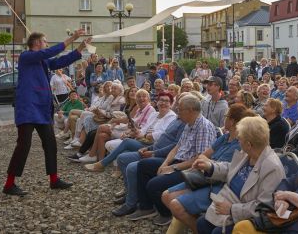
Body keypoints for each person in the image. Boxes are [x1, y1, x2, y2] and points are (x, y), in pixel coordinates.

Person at [3, 30, 89, 196]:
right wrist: (72, 38)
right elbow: (50, 51)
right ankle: (9, 184)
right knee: (23, 145)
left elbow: (60, 61)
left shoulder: (43, 61)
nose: (47, 43)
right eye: (44, 41)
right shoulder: (26, 57)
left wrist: (79, 48)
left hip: (41, 110)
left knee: (50, 144)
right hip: (28, 108)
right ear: (36, 43)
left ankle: (54, 180)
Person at [120, 95, 216, 225]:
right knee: (143, 165)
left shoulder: (204, 127)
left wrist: (172, 168)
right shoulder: (189, 124)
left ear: (191, 110)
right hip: (177, 162)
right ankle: (146, 207)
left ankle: (166, 214)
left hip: (191, 170)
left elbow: (199, 159)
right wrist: (165, 163)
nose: (178, 112)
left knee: (154, 184)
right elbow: (177, 147)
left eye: (180, 109)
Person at [162, 104, 256, 233]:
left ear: (232, 121)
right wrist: (208, 163)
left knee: (175, 204)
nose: (224, 119)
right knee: (166, 196)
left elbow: (227, 171)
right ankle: (189, 223)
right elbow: (203, 155)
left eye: (226, 116)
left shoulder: (240, 145)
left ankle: (196, 228)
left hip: (218, 184)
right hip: (204, 176)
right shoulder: (225, 137)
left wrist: (209, 164)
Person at [195, 116, 285, 234]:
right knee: (201, 223)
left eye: (240, 138)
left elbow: (263, 206)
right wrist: (210, 167)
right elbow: (230, 168)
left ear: (249, 144)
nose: (238, 140)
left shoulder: (272, 168)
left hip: (246, 216)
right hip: (228, 201)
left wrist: (232, 209)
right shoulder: (249, 153)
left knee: (216, 232)